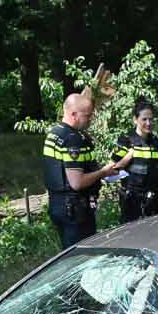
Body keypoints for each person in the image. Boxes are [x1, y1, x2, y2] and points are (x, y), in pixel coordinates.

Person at [43, 91, 109, 248]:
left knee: (69, 253)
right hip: (74, 209)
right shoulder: (72, 139)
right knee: (81, 257)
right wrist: (103, 172)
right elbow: (77, 182)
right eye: (87, 116)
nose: (90, 119)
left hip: (58, 204)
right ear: (73, 114)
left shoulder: (55, 133)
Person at [104, 97, 158, 222]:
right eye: (144, 119)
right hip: (133, 202)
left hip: (154, 201)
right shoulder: (126, 140)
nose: (148, 123)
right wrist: (125, 160)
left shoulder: (156, 142)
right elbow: (109, 173)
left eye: (151, 119)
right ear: (135, 120)